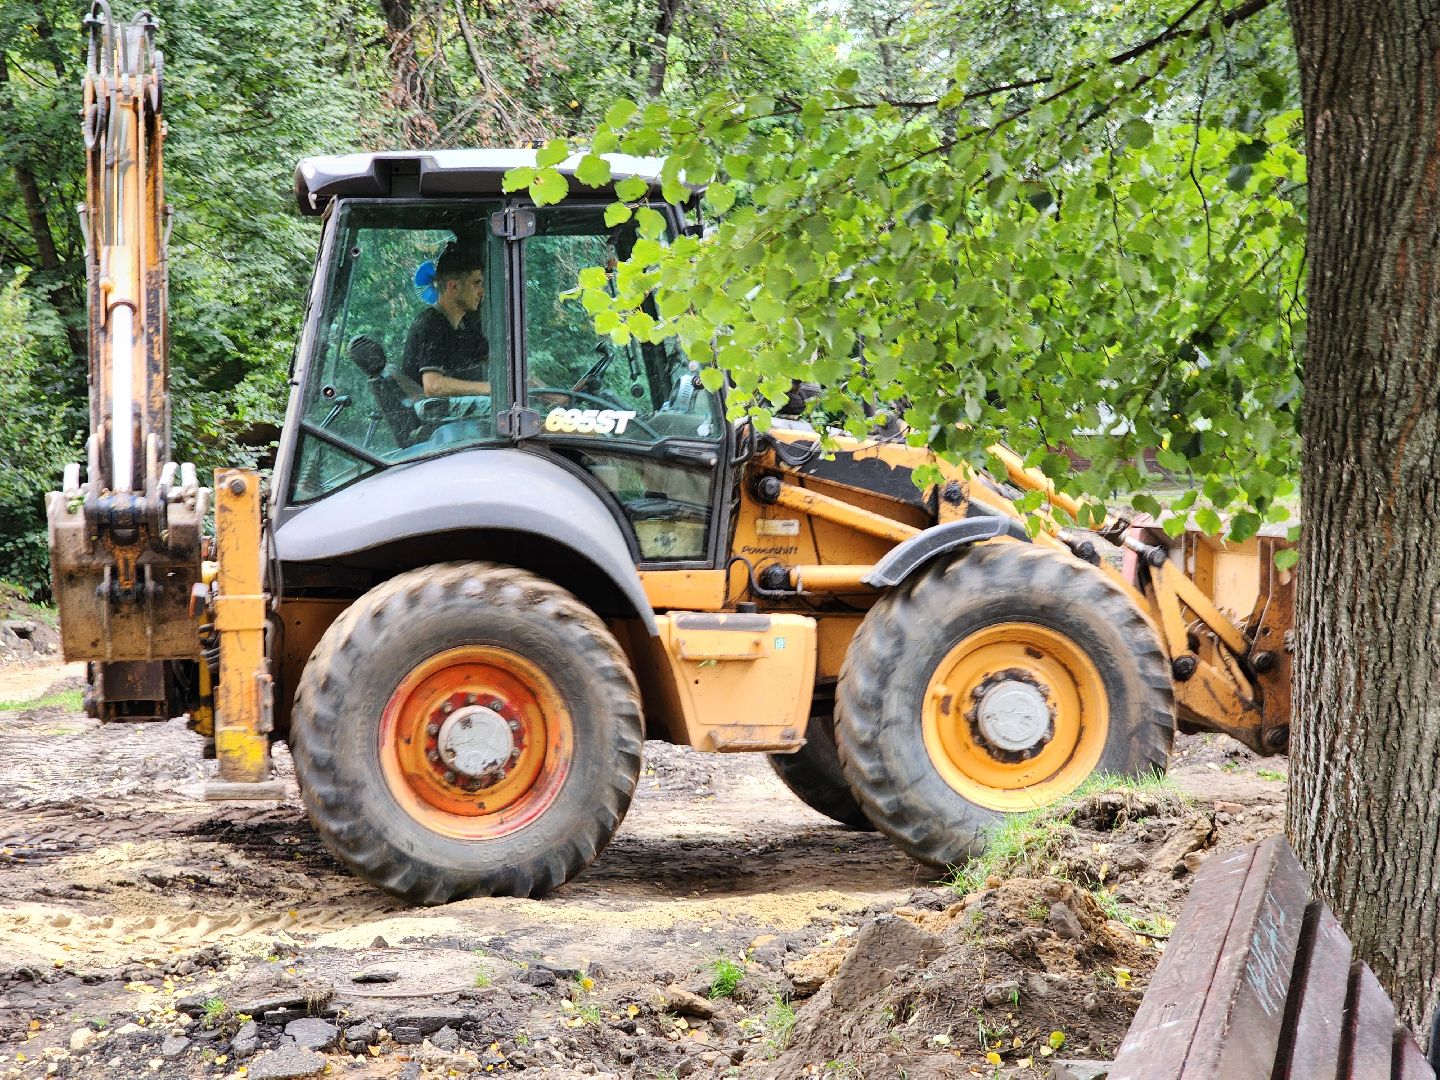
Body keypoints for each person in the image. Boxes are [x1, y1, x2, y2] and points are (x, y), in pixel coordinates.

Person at [401, 241, 490, 397]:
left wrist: (530, 384)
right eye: (476, 284)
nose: (482, 292)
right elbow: (433, 386)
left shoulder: (464, 327)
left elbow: (495, 361)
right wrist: (490, 388)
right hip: (435, 411)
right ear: (453, 287)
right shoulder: (432, 324)